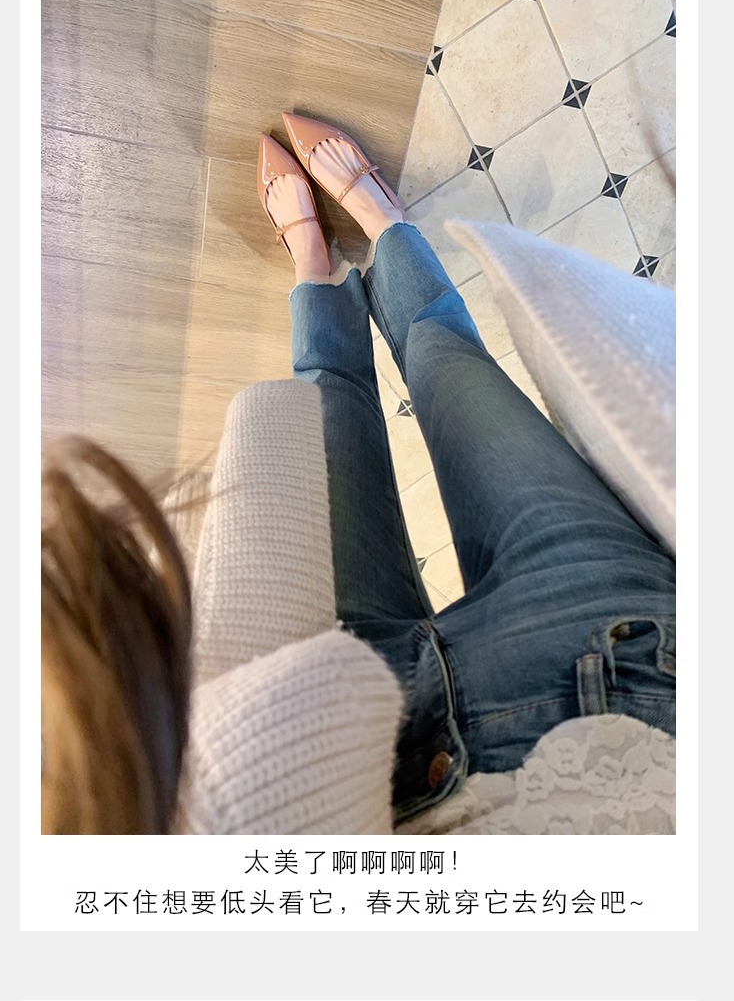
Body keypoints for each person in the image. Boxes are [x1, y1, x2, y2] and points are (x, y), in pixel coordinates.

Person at [41, 112, 676, 834]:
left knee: (351, 395)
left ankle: (320, 267)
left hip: (343, 747)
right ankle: (381, 228)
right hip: (623, 674)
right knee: (443, 361)